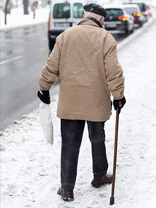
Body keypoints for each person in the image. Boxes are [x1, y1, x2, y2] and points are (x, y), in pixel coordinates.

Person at [37, 3, 126, 202]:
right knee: (98, 139)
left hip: (71, 102)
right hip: (96, 101)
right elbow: (113, 71)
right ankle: (100, 176)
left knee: (69, 145)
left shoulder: (65, 36)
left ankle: (67, 189)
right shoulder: (106, 38)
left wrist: (44, 87)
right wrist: (118, 95)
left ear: (85, 16)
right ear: (101, 20)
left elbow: (51, 65)